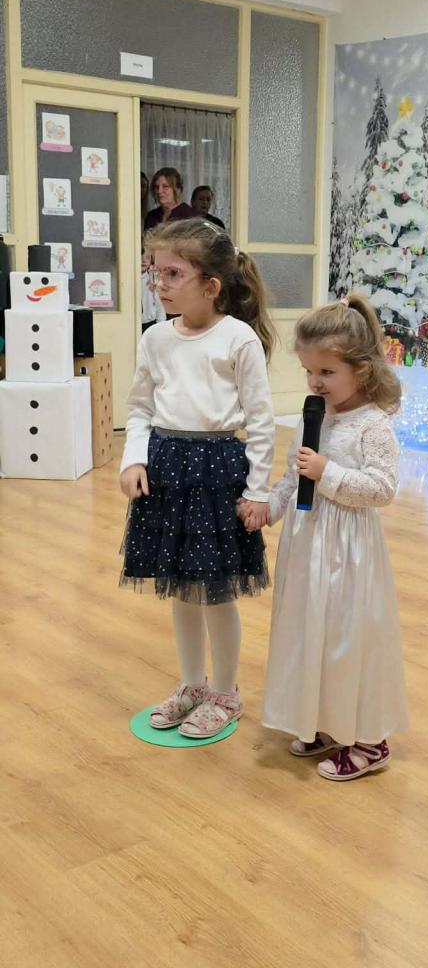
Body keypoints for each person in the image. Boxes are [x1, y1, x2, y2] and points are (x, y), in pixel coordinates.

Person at [119, 218, 276, 739]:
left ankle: (225, 693)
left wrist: (257, 491)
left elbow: (261, 423)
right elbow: (140, 408)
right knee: (181, 588)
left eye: (172, 273)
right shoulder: (155, 338)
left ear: (210, 285)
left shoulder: (238, 339)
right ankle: (191, 684)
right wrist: (133, 460)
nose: (159, 284)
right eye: (155, 272)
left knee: (215, 589)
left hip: (216, 475)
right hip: (167, 472)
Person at [242, 294, 408, 780]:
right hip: (307, 547)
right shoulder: (314, 415)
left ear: (362, 369)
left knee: (344, 638)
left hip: (348, 553)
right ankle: (322, 720)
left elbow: (382, 489)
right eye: (309, 371)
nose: (315, 382)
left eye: (327, 372)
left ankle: (369, 740)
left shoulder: (373, 425)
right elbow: (292, 477)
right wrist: (268, 509)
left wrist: (327, 472)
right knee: (307, 630)